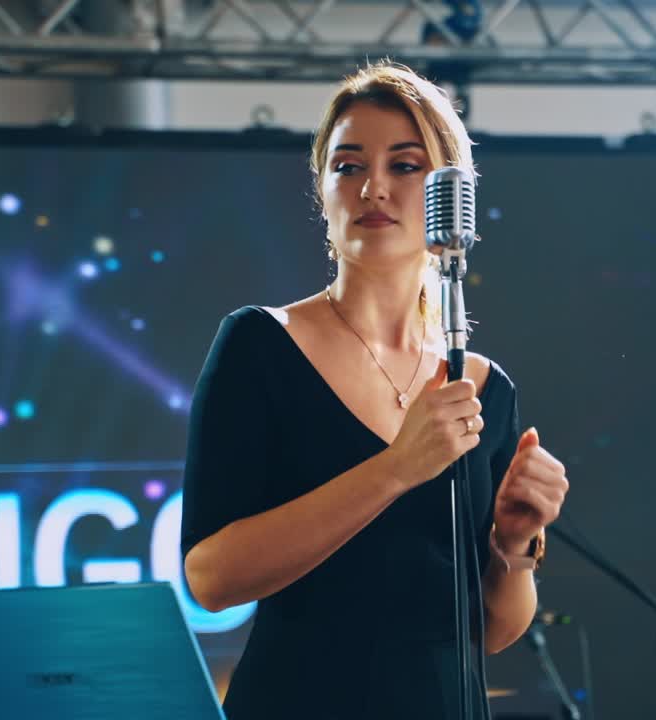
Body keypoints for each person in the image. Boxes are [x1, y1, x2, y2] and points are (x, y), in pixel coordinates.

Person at [181, 60, 570, 719]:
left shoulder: (482, 389)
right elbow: (212, 578)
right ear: (323, 191)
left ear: (451, 194)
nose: (374, 188)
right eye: (349, 166)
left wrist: (513, 548)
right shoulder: (259, 346)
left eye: (406, 165)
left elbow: (494, 632)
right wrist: (394, 470)